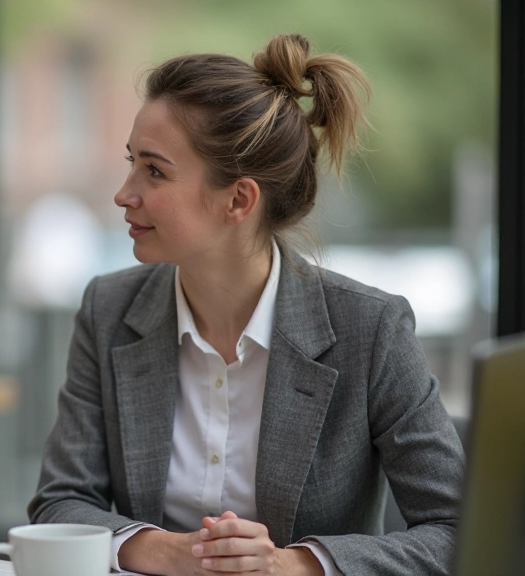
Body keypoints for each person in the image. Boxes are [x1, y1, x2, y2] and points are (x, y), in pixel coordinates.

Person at [28, 34, 464, 576]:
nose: (124, 192)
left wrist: (295, 565)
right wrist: (168, 550)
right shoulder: (109, 310)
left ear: (238, 199)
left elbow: (456, 533)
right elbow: (58, 504)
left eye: (154, 171)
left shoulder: (368, 328)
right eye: (130, 162)